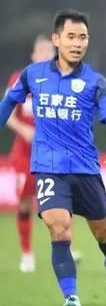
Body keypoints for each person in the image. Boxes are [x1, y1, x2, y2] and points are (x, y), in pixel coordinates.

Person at [0, 9, 106, 306]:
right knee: (59, 228)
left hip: (85, 168)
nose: (77, 43)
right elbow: (8, 103)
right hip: (48, 166)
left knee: (104, 234)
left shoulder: (95, 81)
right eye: (71, 36)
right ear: (56, 39)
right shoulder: (33, 75)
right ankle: (71, 297)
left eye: (82, 37)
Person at [5, 34, 55, 272]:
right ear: (33, 55)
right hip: (25, 154)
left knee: (59, 201)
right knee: (25, 203)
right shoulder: (20, 79)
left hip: (51, 154)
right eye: (41, 51)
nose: (45, 55)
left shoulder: (60, 81)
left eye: (49, 52)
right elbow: (7, 115)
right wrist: (24, 129)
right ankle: (26, 253)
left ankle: (65, 248)